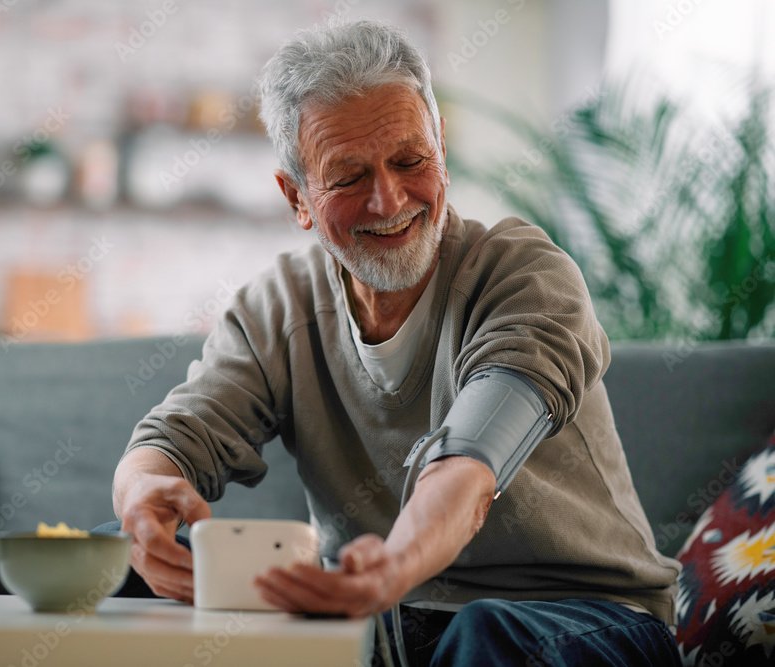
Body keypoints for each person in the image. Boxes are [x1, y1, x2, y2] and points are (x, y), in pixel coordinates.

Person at [110, 20, 681, 666]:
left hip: (583, 617)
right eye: (349, 177)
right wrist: (141, 503)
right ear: (297, 197)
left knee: (483, 635)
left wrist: (395, 567)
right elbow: (170, 440)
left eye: (411, 161)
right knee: (112, 558)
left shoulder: (523, 276)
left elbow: (468, 470)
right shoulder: (279, 307)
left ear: (441, 150)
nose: (389, 198)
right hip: (385, 619)